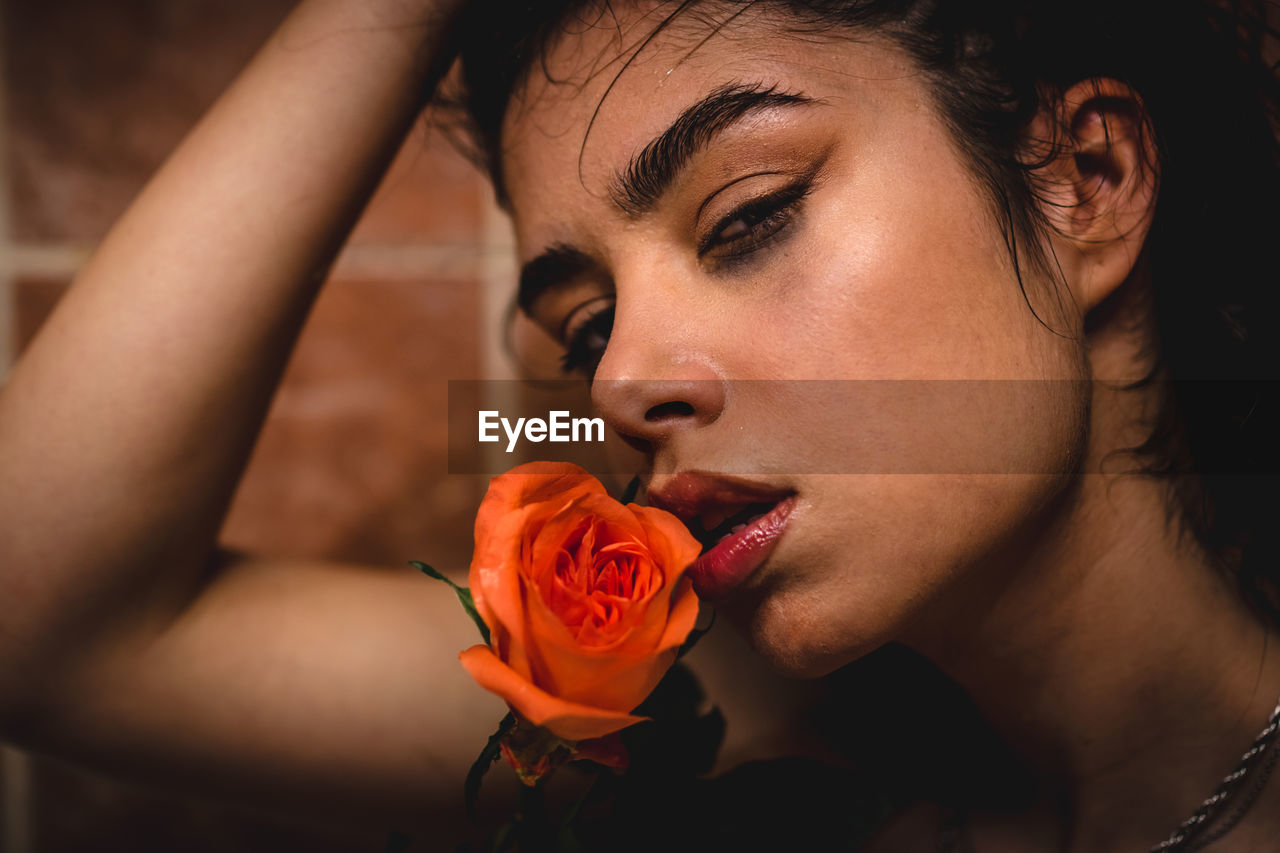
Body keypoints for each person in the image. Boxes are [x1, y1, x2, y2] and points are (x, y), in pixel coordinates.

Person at [2, 0, 1279, 850]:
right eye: (586, 322)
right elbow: (40, 624)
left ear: (1084, 180)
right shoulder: (736, 732)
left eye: (747, 216)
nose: (618, 385)